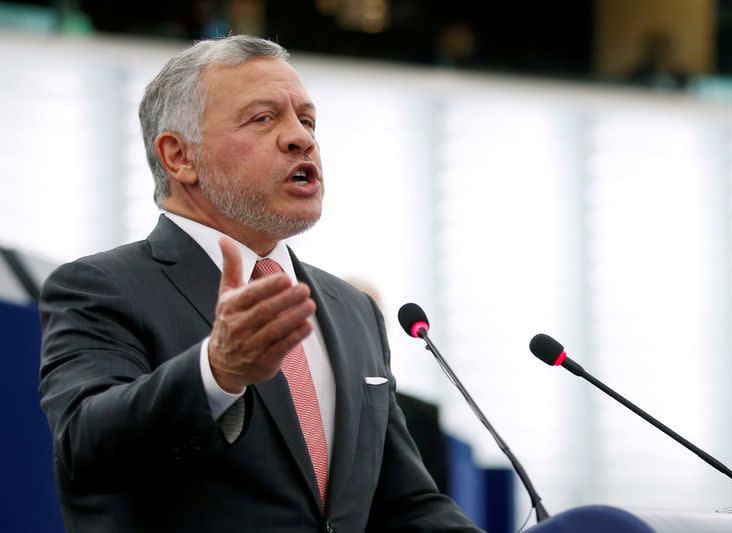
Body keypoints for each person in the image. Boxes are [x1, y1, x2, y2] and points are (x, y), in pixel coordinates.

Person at [38, 35, 480, 533]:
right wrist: (215, 372)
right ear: (179, 156)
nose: (301, 138)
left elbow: (405, 505)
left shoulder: (353, 310)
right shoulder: (101, 288)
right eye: (263, 118)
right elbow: (84, 447)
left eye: (307, 120)